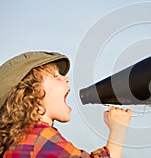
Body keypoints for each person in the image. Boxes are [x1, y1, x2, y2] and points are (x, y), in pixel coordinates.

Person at [0, 51, 131, 158]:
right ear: (31, 93)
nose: (66, 78)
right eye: (55, 76)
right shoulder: (39, 138)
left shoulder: (18, 141)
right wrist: (118, 130)